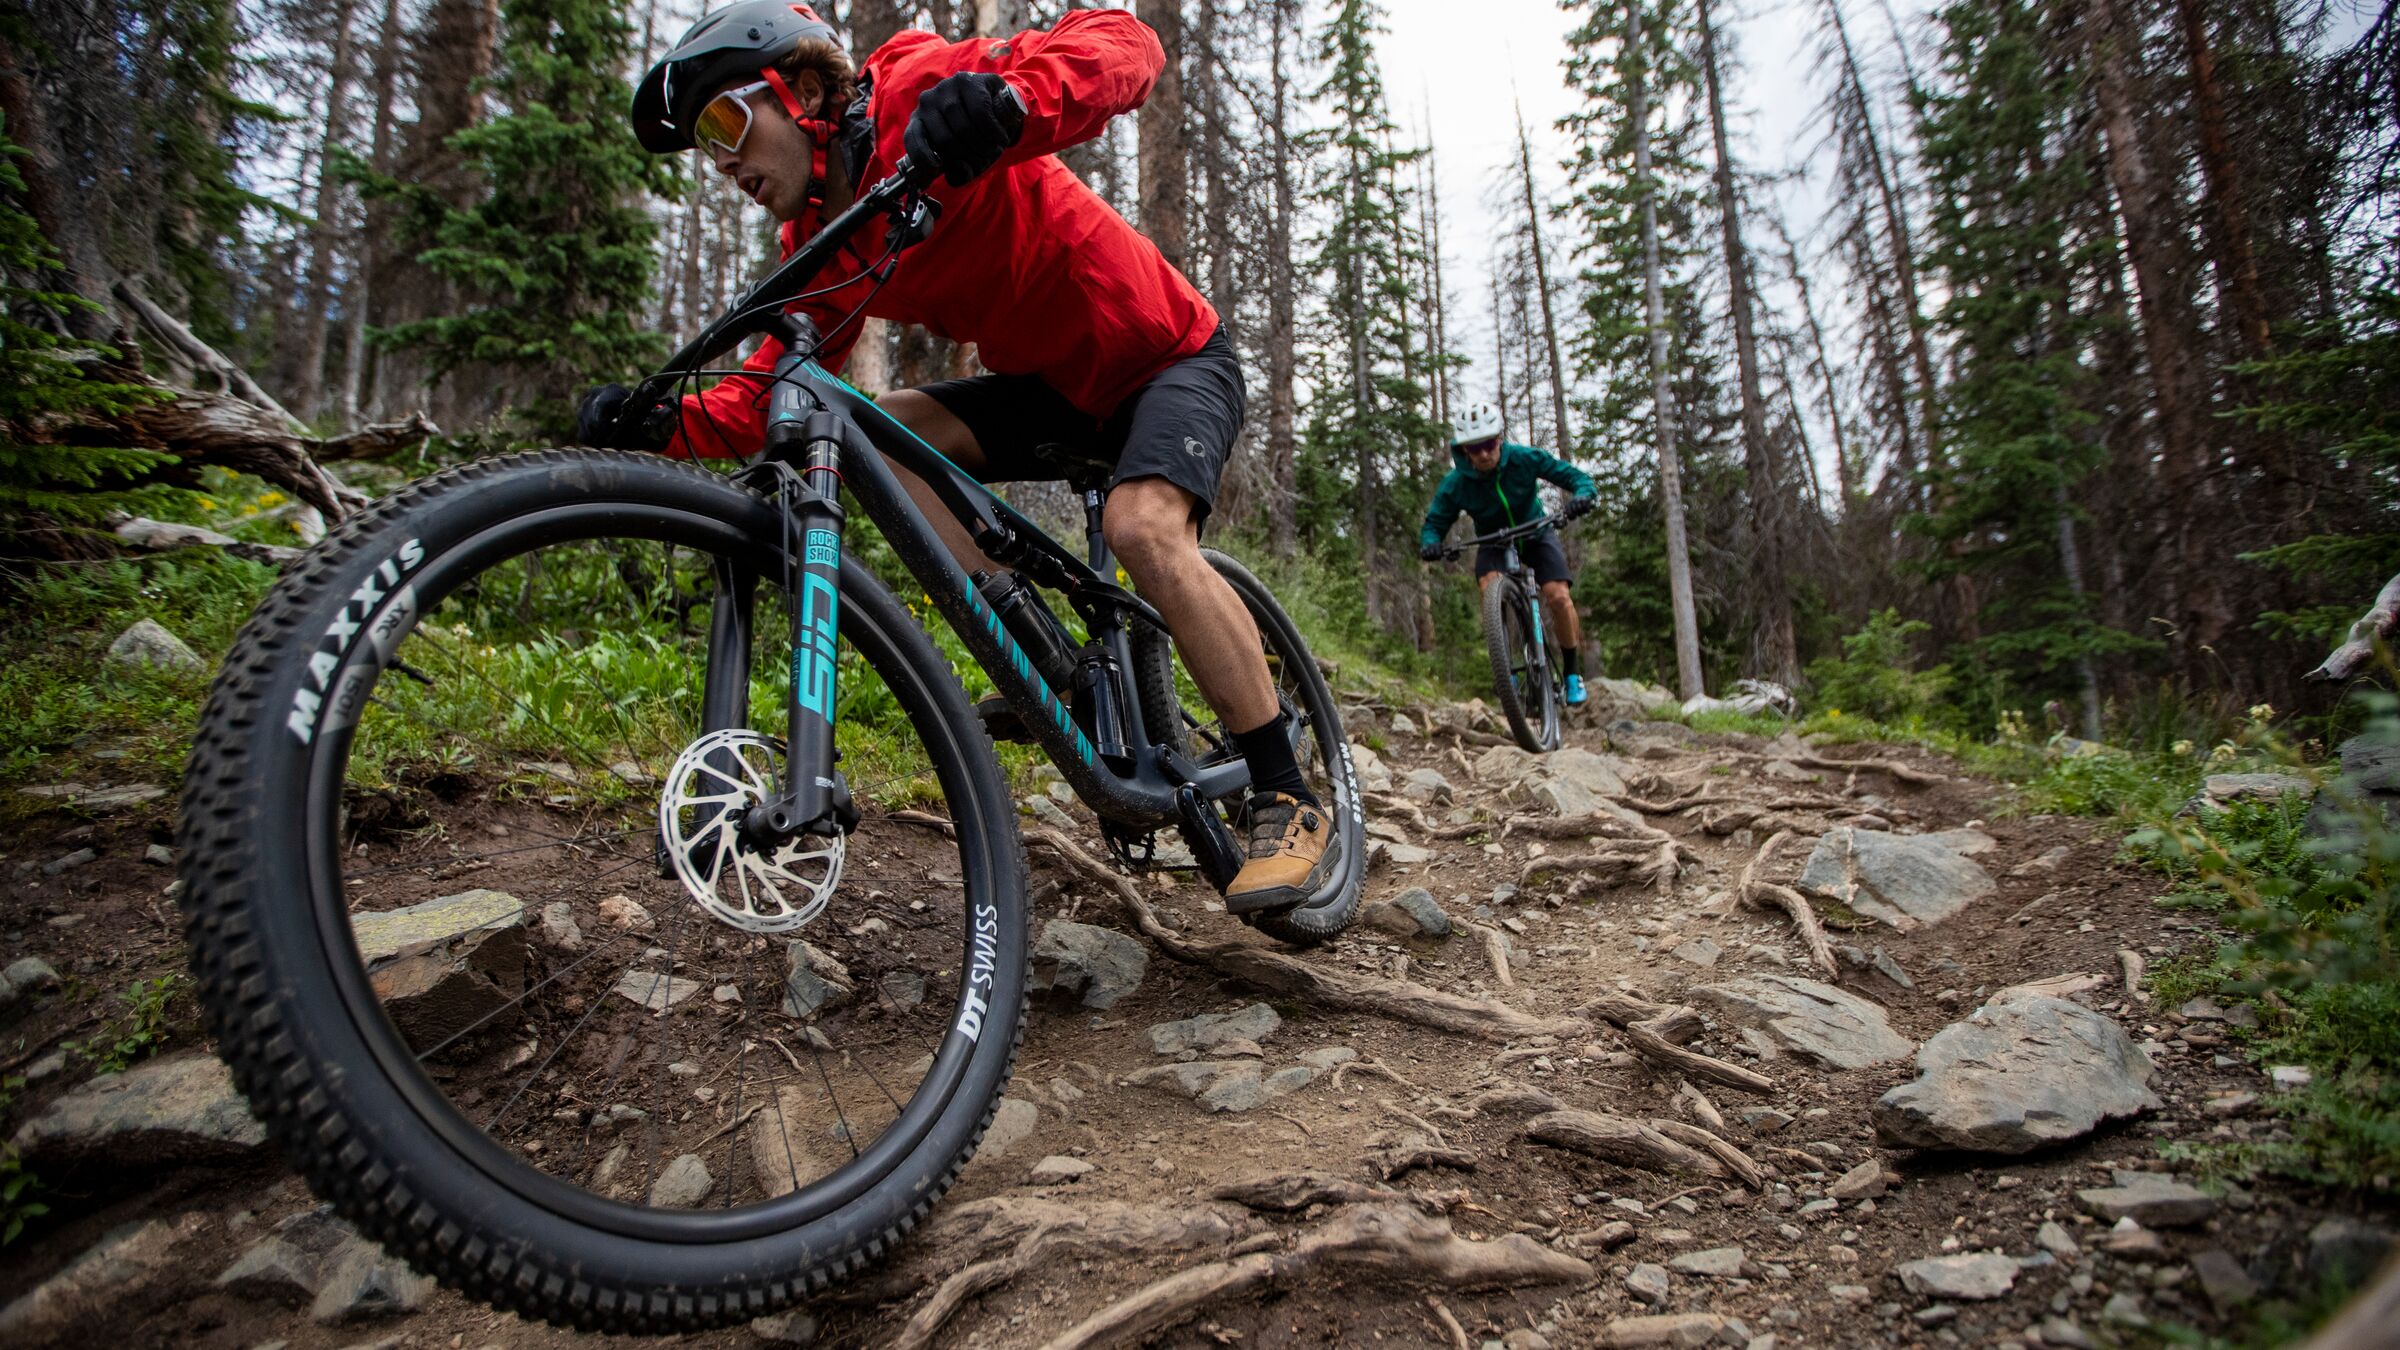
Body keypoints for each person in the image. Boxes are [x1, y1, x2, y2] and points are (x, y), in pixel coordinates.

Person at [574, 1, 1336, 915]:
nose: (724, 159)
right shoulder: (823, 247)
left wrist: (1007, 100)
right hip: (1051, 390)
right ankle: (1046, 658)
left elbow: (1126, 43)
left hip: (1166, 357)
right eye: (706, 145)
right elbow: (762, 397)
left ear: (805, 89)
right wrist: (662, 423)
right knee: (876, 433)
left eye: (727, 122)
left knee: (1141, 525)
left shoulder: (918, 91)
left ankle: (1286, 790)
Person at [1416, 403, 1598, 706]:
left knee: (1558, 596)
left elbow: (1575, 477)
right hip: (1494, 542)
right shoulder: (1456, 483)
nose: (1484, 454)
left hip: (1537, 533)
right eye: (1475, 448)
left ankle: (1571, 672)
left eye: (1489, 444)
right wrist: (1431, 542)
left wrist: (1583, 495)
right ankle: (1505, 670)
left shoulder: (1525, 459)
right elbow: (1435, 522)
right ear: (1464, 450)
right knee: (1490, 586)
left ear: (1499, 438)